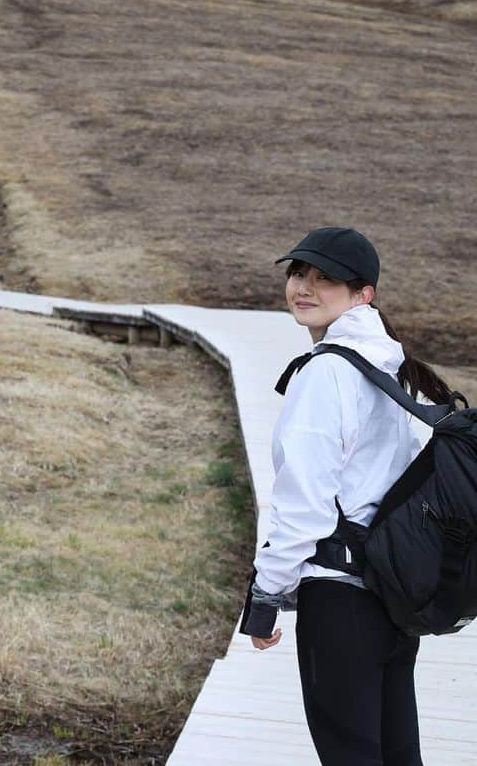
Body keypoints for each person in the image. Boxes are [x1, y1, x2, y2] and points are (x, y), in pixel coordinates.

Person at [241, 226, 450, 766]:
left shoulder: (327, 373)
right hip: (392, 593)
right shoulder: (396, 368)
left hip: (340, 599)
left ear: (363, 295)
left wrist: (266, 596)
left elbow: (304, 507)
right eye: (297, 274)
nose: (304, 288)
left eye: (325, 279)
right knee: (398, 753)